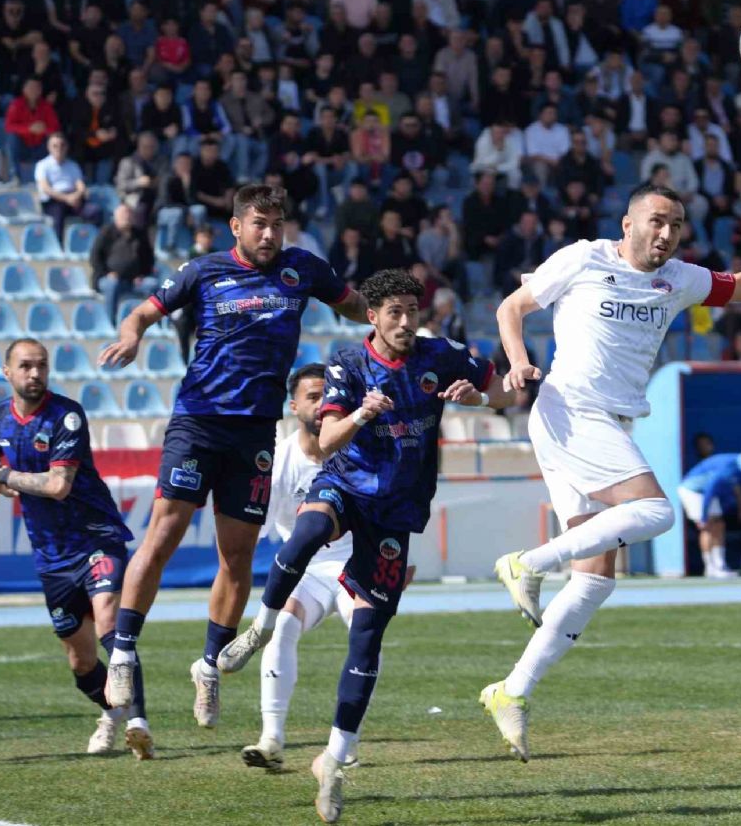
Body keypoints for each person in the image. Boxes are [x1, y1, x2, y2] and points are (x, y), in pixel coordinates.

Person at [483, 184, 741, 761]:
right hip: (571, 410)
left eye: (677, 225)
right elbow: (512, 307)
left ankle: (511, 691)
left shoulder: (682, 278)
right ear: (628, 224)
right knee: (657, 511)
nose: (666, 234)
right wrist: (518, 363)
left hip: (605, 423)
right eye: (657, 221)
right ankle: (526, 563)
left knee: (596, 578)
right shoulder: (583, 257)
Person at [215, 269, 516, 822]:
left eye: (412, 311)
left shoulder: (441, 354)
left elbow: (504, 394)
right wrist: (361, 413)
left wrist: (480, 398)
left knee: (369, 637)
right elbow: (327, 439)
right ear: (372, 317)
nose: (405, 322)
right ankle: (259, 627)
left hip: (396, 509)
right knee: (307, 531)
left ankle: (335, 758)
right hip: (345, 484)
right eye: (394, 313)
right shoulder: (346, 364)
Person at [97, 185, 369, 731]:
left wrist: (394, 322)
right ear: (236, 227)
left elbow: (358, 307)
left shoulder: (304, 270)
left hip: (253, 435)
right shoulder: (203, 271)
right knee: (163, 533)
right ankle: (124, 653)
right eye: (260, 224)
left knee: (238, 555)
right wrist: (130, 337)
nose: (270, 234)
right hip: (198, 423)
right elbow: (142, 315)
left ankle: (209, 665)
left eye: (278, 224)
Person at [0, 339, 152, 759]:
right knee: (81, 664)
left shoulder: (66, 414)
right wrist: (2, 477)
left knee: (107, 622)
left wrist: (5, 475)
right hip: (51, 553)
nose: (35, 374)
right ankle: (111, 714)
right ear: (7, 372)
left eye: (41, 365)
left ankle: (138, 721)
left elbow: (58, 486)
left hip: (95, 535)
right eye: (25, 366)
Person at [241, 364, 364, 771]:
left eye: (327, 396)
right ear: (293, 406)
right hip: (306, 573)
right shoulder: (279, 462)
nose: (322, 404)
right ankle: (271, 739)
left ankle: (344, 748)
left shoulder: (355, 447)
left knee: (365, 639)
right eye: (313, 396)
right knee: (282, 629)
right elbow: (254, 530)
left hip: (354, 565)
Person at [678, 448, 741, 578]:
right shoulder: (729, 467)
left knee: (719, 524)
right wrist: (703, 516)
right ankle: (710, 567)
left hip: (707, 494)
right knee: (707, 527)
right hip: (693, 491)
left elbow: (728, 489)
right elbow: (710, 489)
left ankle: (720, 565)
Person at [90, 204, 159, 326]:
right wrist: (107, 273)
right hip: (110, 279)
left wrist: (142, 275)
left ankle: (154, 322)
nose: (126, 217)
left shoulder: (140, 234)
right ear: (116, 217)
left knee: (152, 284)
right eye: (123, 215)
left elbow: (149, 259)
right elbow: (95, 257)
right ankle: (110, 323)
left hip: (134, 281)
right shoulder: (106, 232)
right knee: (112, 285)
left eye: (128, 214)